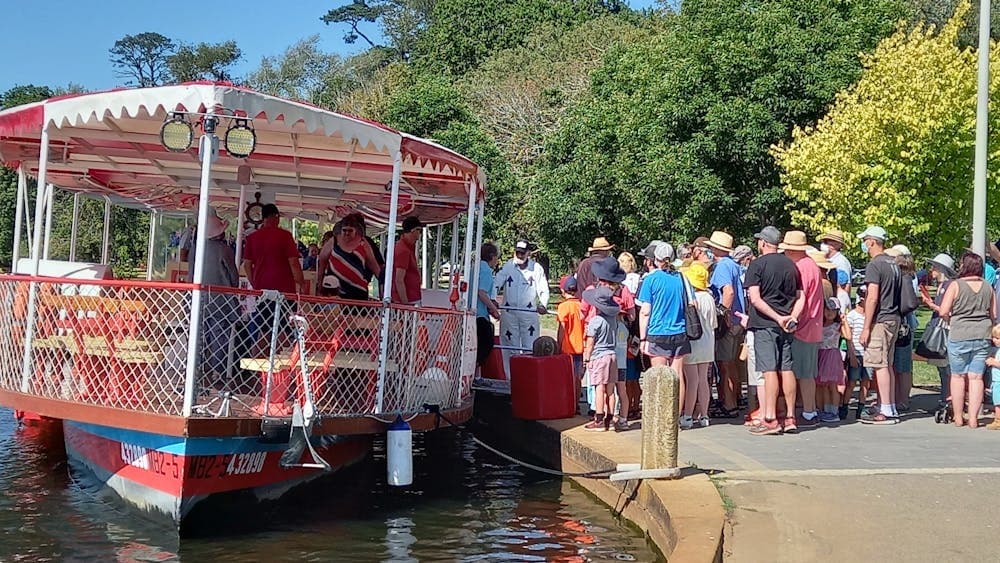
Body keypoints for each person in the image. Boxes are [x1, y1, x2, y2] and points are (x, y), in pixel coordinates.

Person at [745, 226, 803, 436]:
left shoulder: (757, 265)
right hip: (787, 324)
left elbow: (755, 298)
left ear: (763, 243)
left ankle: (770, 417)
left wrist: (777, 318)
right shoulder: (791, 265)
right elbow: (800, 296)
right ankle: (790, 416)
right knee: (786, 368)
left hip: (765, 324)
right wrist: (792, 317)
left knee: (769, 370)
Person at [939, 251, 996, 429]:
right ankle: (973, 419)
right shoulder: (988, 286)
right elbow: (993, 314)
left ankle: (958, 417)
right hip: (982, 334)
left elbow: (943, 311)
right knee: (976, 377)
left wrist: (952, 319)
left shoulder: (956, 285)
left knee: (957, 376)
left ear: (965, 266)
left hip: (959, 334)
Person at [187, 209, 239, 385]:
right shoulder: (224, 250)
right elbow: (233, 276)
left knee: (198, 335)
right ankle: (217, 371)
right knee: (219, 337)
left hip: (199, 298)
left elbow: (191, 273)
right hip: (221, 300)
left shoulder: (196, 249)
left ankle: (196, 368)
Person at [857, 226, 903, 425]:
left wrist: (866, 327)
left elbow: (872, 296)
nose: (865, 245)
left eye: (865, 240)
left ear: (872, 242)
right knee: (888, 363)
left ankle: (885, 409)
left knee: (879, 364)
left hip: (880, 319)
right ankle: (889, 404)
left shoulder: (875, 265)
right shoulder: (894, 263)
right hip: (894, 317)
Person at [779, 231, 824, 425]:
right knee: (806, 372)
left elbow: (801, 298)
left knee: (804, 373)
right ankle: (807, 409)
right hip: (812, 325)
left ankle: (808, 411)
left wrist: (792, 318)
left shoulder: (802, 268)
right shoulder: (810, 264)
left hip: (803, 326)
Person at [638, 242, 690, 407]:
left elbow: (645, 311)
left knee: (659, 376)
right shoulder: (681, 278)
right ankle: (677, 415)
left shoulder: (650, 280)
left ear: (655, 259)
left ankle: (661, 414)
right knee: (677, 375)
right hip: (680, 331)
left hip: (657, 332)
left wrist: (643, 338)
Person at [704, 231, 746, 417]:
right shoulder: (734, 265)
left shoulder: (722, 267)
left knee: (725, 364)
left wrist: (722, 313)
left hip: (728, 322)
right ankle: (734, 399)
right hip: (739, 320)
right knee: (732, 363)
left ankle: (729, 405)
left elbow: (728, 292)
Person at [494, 239, 550, 377]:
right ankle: (510, 380)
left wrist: (543, 303)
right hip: (509, 313)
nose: (519, 255)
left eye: (522, 253)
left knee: (529, 346)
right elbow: (496, 282)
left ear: (528, 253)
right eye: (517, 252)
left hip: (529, 314)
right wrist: (492, 299)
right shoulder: (508, 266)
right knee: (509, 346)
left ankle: (528, 377)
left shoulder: (536, 269)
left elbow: (543, 288)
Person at [681, 261, 717, 429]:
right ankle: (704, 415)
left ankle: (687, 415)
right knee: (703, 379)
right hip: (708, 341)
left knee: (692, 380)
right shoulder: (710, 297)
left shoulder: (691, 299)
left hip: (693, 341)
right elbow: (714, 324)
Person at [242, 204, 304, 295]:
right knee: (285, 309)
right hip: (284, 289)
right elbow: (294, 263)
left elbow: (247, 265)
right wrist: (301, 283)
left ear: (262, 218)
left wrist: (254, 283)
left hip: (261, 288)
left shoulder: (252, 238)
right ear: (277, 217)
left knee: (262, 309)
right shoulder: (286, 236)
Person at [318, 213, 382, 301]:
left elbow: (375, 267)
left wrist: (384, 287)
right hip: (334, 290)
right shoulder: (334, 241)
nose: (347, 233)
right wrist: (320, 285)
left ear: (356, 230)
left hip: (358, 292)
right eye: (344, 230)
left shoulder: (364, 243)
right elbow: (322, 262)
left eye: (350, 230)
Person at [582, 285, 620, 432]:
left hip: (599, 356)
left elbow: (590, 342)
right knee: (610, 390)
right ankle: (610, 419)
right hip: (612, 355)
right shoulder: (613, 319)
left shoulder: (595, 321)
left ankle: (598, 419)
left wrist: (587, 357)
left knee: (599, 388)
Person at [922, 253, 957, 403]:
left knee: (946, 366)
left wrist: (932, 305)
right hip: (938, 324)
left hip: (945, 327)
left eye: (935, 267)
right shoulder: (941, 286)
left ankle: (948, 399)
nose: (932, 270)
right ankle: (944, 398)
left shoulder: (949, 285)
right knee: (941, 366)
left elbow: (946, 310)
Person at [886, 244, 918, 411]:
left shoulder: (905, 277)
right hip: (905, 322)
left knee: (901, 364)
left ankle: (902, 399)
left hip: (903, 323)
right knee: (900, 364)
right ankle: (899, 398)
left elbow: (908, 303)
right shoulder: (910, 277)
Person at [845, 286, 873, 419]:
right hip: (856, 353)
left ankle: (861, 408)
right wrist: (851, 354)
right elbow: (848, 338)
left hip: (868, 354)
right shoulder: (852, 315)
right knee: (852, 382)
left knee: (866, 382)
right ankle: (844, 406)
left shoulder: (871, 316)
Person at [556, 276, 585, 405]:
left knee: (567, 377)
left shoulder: (563, 307)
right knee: (578, 377)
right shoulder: (582, 305)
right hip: (581, 347)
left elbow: (562, 328)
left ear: (563, 290)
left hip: (568, 347)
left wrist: (558, 344)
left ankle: (568, 402)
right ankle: (576, 403)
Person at [816, 298, 845, 422]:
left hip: (832, 355)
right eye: (827, 309)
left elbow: (847, 336)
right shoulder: (820, 325)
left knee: (833, 385)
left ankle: (834, 411)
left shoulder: (837, 325)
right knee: (823, 385)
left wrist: (845, 322)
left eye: (833, 310)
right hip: (820, 354)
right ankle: (825, 410)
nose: (829, 312)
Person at [475, 242, 502, 366]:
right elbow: (481, 292)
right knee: (485, 345)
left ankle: (476, 375)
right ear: (492, 256)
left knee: (476, 346)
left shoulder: (475, 268)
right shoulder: (486, 271)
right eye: (497, 256)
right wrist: (494, 309)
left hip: (474, 312)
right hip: (479, 314)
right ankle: (475, 370)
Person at [390, 216, 424, 305]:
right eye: (419, 230)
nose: (420, 234)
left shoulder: (406, 247)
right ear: (413, 230)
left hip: (410, 297)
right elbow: (399, 279)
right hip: (409, 299)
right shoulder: (403, 250)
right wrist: (405, 305)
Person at [984, 324, 1000, 430]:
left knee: (998, 403)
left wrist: (993, 362)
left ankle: (998, 420)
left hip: (999, 381)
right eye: (994, 337)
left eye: (998, 338)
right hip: (996, 380)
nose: (995, 340)